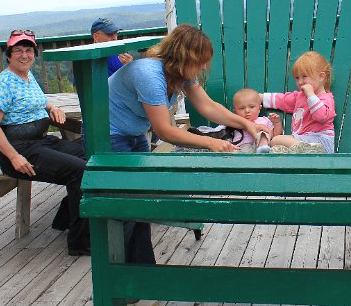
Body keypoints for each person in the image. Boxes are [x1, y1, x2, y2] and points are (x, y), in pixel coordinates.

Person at [108, 23, 268, 263]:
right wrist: (209, 142)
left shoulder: (180, 71)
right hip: (110, 135)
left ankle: (141, 271)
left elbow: (208, 106)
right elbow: (164, 131)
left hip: (134, 133)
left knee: (139, 203)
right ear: (184, 57)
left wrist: (246, 124)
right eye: (200, 61)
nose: (203, 67)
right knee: (124, 207)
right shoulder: (149, 75)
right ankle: (121, 273)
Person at [0, 29, 90, 256]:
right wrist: (14, 157)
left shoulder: (28, 77)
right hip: (20, 151)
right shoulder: (3, 83)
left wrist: (52, 107)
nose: (24, 55)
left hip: (41, 142)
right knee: (79, 171)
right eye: (18, 51)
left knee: (91, 156)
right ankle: (80, 242)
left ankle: (65, 218)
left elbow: (39, 100)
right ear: (9, 55)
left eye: (28, 50)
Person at [262, 51, 336, 153]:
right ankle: (302, 150)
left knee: (277, 140)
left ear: (321, 76)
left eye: (304, 76)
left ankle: (309, 149)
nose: (300, 82)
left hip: (321, 142)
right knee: (275, 142)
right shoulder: (299, 97)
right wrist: (260, 97)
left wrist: (311, 95)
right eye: (297, 78)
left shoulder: (326, 98)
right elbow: (282, 100)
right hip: (302, 140)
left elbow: (321, 117)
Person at [231, 88, 280, 153]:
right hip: (242, 148)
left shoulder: (265, 120)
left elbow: (274, 135)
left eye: (251, 107)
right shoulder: (235, 122)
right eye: (242, 108)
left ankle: (262, 148)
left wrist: (277, 122)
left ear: (259, 108)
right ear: (235, 112)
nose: (247, 111)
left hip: (260, 146)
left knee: (263, 133)